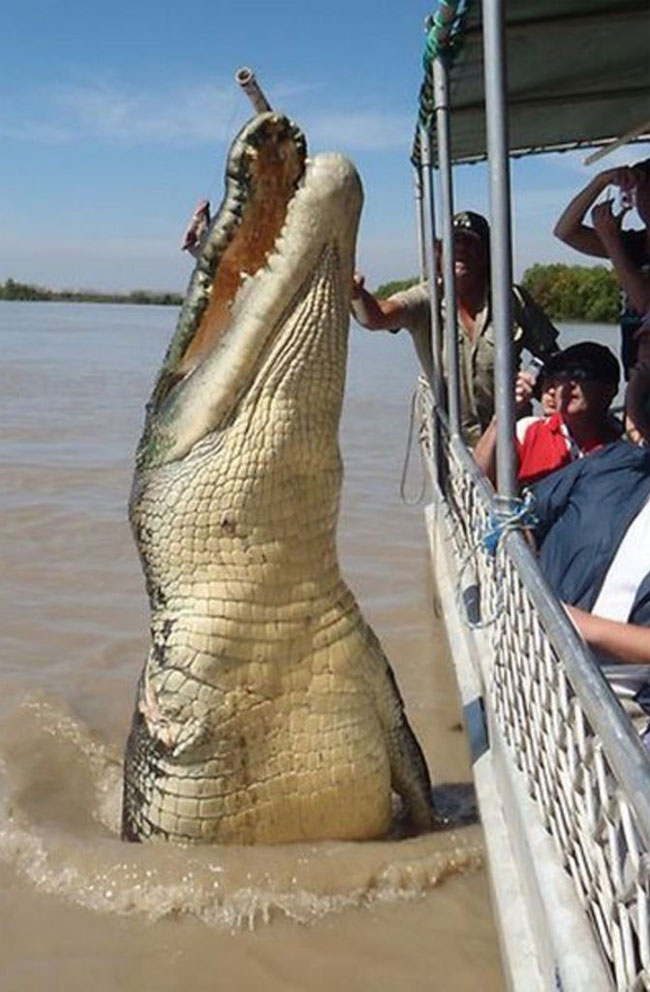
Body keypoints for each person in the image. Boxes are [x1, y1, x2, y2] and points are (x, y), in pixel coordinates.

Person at [351, 211, 559, 446]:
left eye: (470, 243)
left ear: (486, 254)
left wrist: (536, 384)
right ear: (440, 254)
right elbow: (376, 317)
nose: (461, 249)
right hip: (454, 445)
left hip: (511, 435)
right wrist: (356, 294)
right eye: (454, 242)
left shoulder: (512, 299)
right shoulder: (426, 298)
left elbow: (551, 355)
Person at [530, 362, 650, 743]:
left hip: (626, 707)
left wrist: (575, 624)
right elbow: (524, 519)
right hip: (535, 663)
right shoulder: (607, 465)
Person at [473, 342, 622, 487]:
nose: (568, 384)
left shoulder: (623, 446)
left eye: (581, 375)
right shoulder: (527, 431)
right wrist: (501, 417)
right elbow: (476, 482)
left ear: (609, 390)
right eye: (562, 374)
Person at [554, 157, 650, 377]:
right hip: (638, 374)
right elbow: (565, 232)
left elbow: (645, 304)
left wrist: (611, 239)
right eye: (642, 190)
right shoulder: (635, 245)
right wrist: (600, 182)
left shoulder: (619, 245)